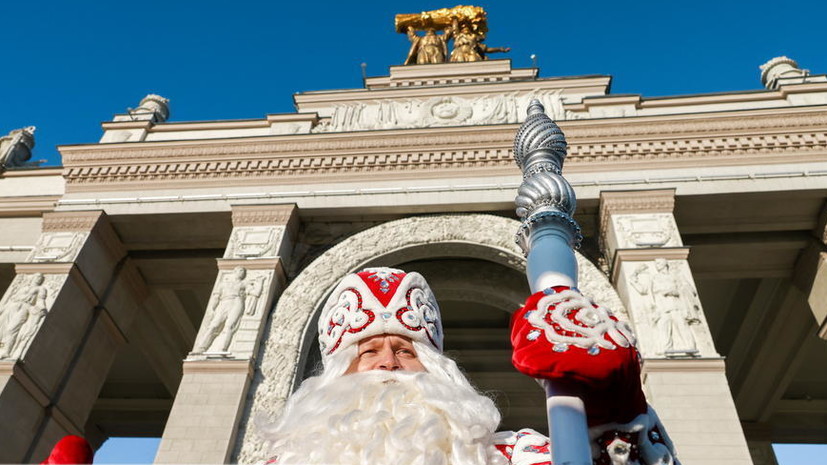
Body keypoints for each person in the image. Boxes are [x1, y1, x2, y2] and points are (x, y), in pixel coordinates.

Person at [261, 267, 679, 465]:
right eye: (367, 351)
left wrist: (614, 407)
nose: (388, 362)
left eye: (406, 351)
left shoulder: (510, 455)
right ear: (337, 376)